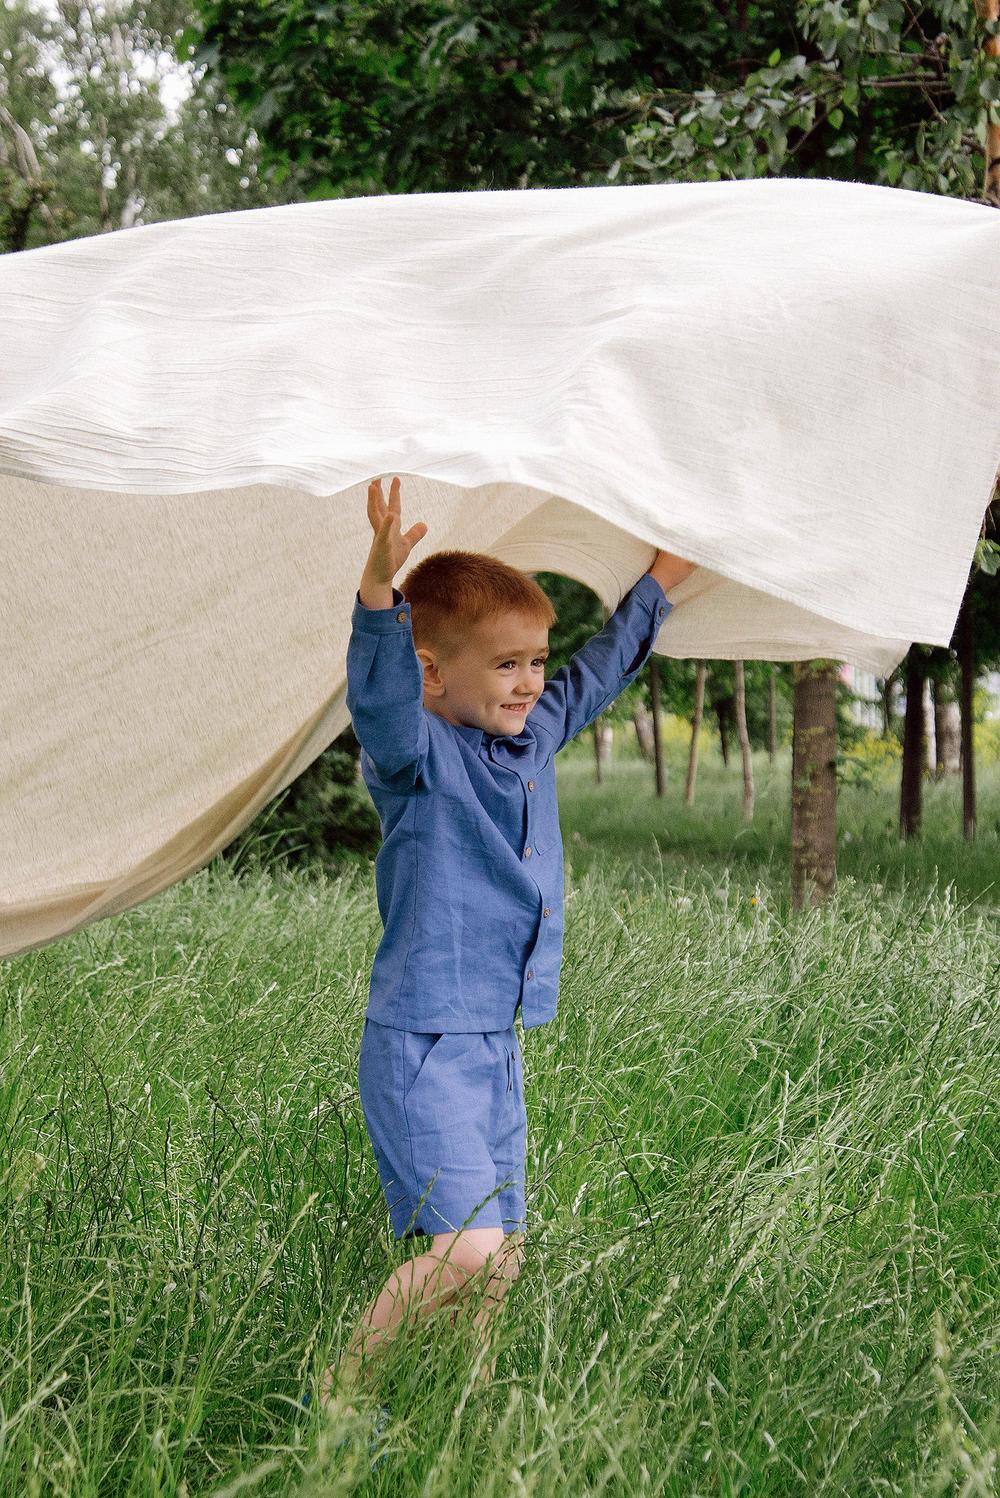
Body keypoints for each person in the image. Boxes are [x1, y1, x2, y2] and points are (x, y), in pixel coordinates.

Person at [321, 475, 696, 1415]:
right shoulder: (414, 759)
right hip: (424, 1044)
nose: (530, 682)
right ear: (434, 672)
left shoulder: (528, 741)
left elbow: (597, 671)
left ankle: (464, 1407)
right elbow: (379, 699)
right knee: (464, 1253)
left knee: (502, 1257)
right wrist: (378, 595)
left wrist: (658, 582)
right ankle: (337, 1399)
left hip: (495, 1042)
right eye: (506, 666)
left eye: (534, 661)